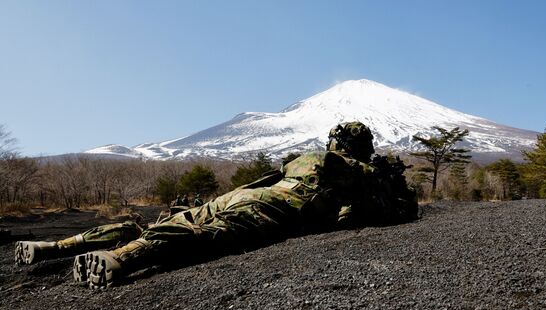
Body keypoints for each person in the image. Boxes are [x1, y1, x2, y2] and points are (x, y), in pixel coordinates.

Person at [15, 122, 418, 289]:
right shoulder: (358, 171)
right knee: (205, 235)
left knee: (177, 218)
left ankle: (56, 248)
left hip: (239, 193)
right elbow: (372, 213)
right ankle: (123, 259)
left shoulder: (310, 157)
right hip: (273, 209)